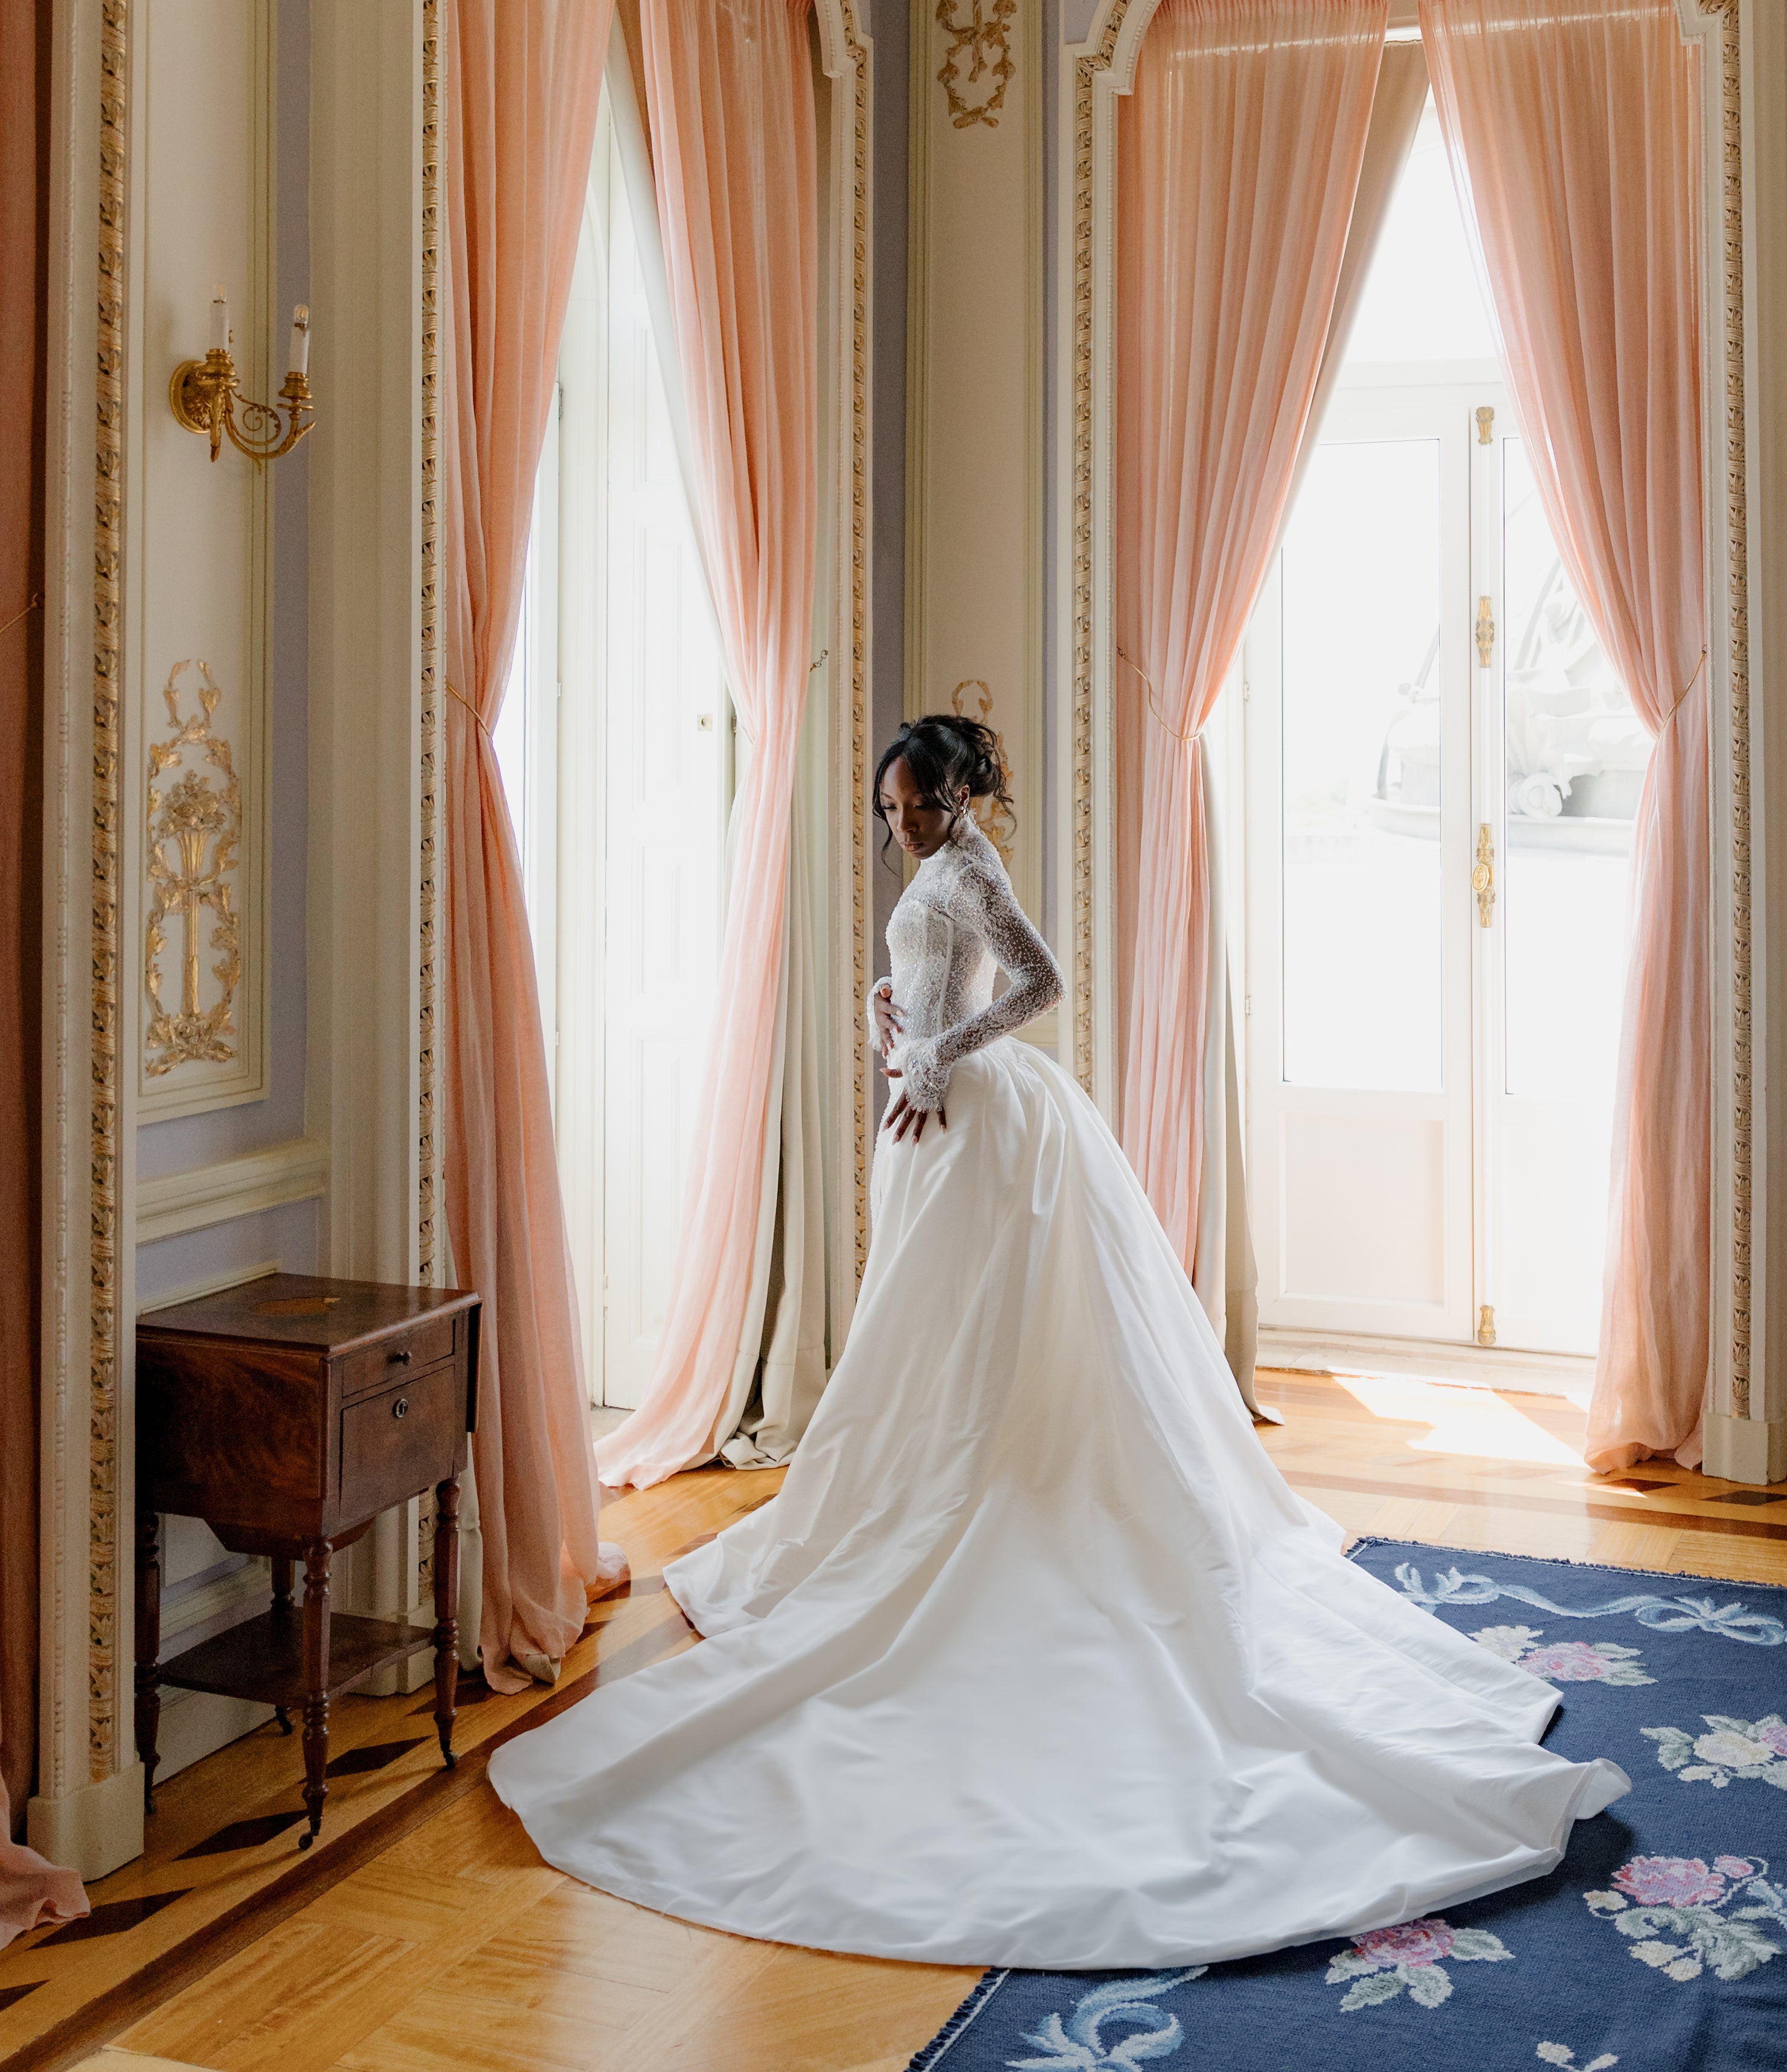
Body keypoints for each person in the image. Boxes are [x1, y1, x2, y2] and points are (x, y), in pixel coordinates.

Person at [489, 713, 1628, 1970]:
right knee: (920, 1344)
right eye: (888, 812)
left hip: (982, 1121)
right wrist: (895, 1019)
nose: (899, 827)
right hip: (930, 1118)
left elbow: (1036, 986)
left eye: (914, 807)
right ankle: (908, 1504)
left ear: (961, 796)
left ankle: (993, 1512)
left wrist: (940, 1044)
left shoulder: (974, 864)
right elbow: (931, 981)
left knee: (988, 1346)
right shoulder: (934, 869)